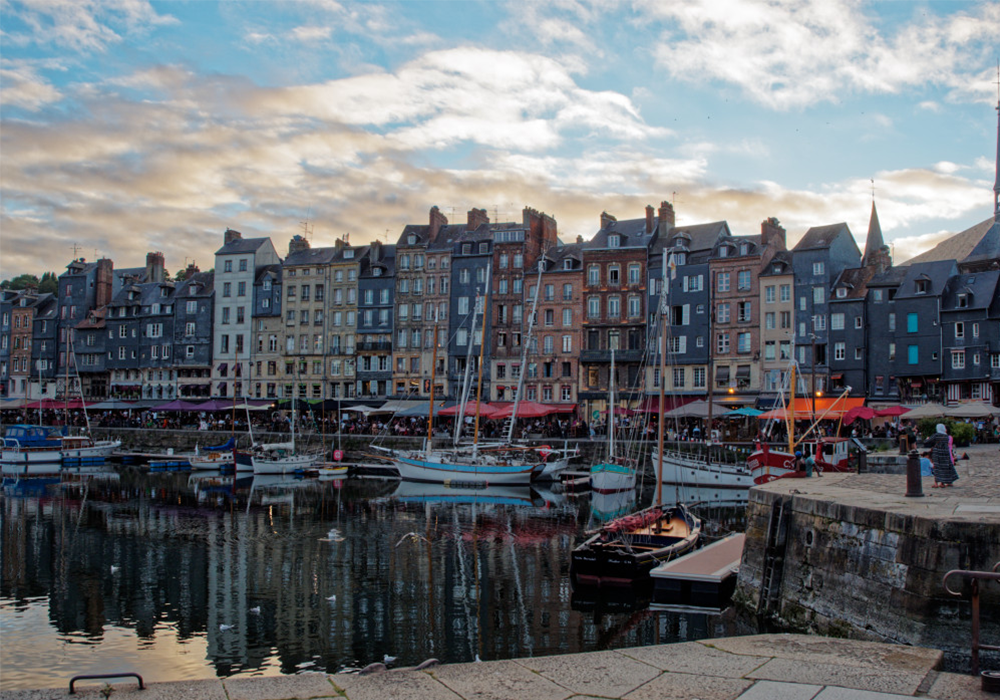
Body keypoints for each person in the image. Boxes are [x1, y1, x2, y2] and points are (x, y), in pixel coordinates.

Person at [924, 423, 959, 487]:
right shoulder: (946, 436)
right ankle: (942, 483)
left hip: (937, 453)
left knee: (937, 467)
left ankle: (936, 483)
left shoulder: (936, 435)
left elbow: (927, 441)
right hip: (945, 453)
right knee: (944, 467)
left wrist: (927, 438)